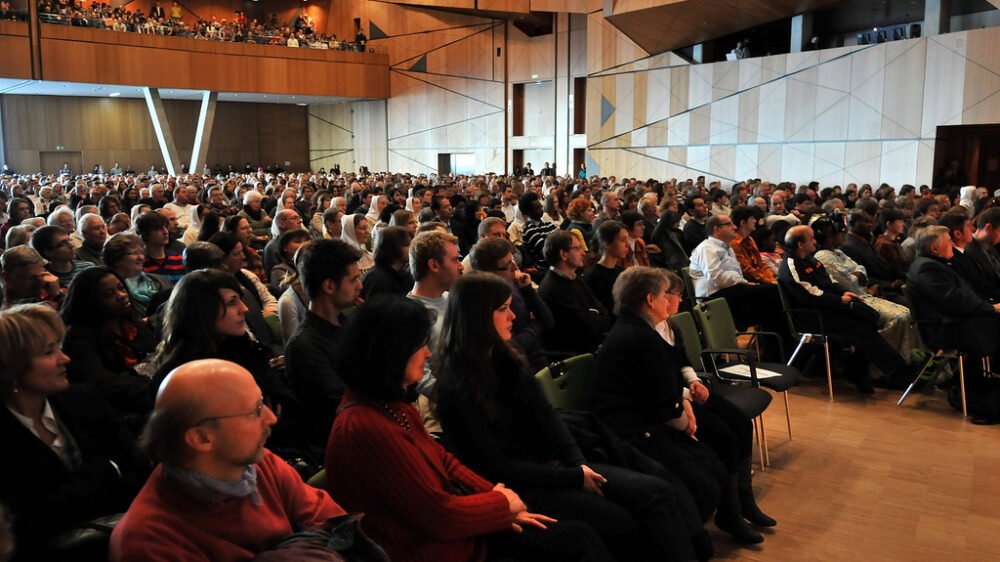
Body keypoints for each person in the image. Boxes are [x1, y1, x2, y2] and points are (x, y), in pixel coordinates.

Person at [434, 272, 711, 561]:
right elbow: (497, 466)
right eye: (502, 309)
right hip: (526, 486)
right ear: (478, 316)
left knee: (656, 490)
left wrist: (579, 465)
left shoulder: (507, 358)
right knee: (625, 519)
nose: (513, 316)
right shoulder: (457, 388)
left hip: (557, 465)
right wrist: (574, 475)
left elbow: (548, 417)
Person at [325, 296, 609, 562]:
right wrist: (500, 505)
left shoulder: (391, 404)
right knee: (577, 539)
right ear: (391, 354)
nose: (427, 354)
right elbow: (439, 516)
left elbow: (444, 461)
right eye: (420, 345)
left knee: (581, 531)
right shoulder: (363, 428)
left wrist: (500, 497)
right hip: (435, 551)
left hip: (456, 534)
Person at [588, 267, 774, 545]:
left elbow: (668, 376)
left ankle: (735, 507)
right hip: (635, 428)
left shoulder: (647, 328)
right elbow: (655, 394)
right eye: (667, 295)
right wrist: (684, 413)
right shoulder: (638, 336)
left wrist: (687, 395)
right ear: (651, 299)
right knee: (713, 465)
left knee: (735, 431)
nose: (671, 300)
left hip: (661, 410)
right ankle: (699, 531)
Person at [110, 359, 349, 561]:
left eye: (263, 402)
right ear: (202, 438)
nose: (270, 418)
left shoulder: (260, 464)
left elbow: (340, 528)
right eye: (255, 410)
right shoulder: (146, 541)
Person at [0, 304, 147, 560]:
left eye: (59, 346)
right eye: (49, 352)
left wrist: (64, 496)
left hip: (124, 538)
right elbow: (26, 521)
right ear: (11, 367)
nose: (64, 358)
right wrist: (105, 472)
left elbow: (137, 471)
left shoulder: (83, 401)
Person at [778, 225, 915, 393]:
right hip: (812, 317)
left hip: (828, 309)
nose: (815, 241)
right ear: (800, 244)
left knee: (869, 318)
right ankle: (896, 374)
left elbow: (830, 284)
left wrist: (845, 293)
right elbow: (810, 294)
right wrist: (840, 300)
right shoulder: (791, 265)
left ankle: (863, 373)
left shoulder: (811, 259)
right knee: (860, 329)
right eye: (811, 238)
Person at [284, 239, 363, 454]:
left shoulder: (344, 323)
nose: (360, 286)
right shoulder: (304, 346)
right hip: (342, 446)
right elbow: (347, 404)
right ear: (329, 286)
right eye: (354, 279)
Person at [812, 217, 914, 377]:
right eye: (842, 232)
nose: (844, 235)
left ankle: (901, 364)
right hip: (854, 299)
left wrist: (856, 275)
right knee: (898, 317)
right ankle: (880, 370)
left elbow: (861, 269)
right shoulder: (823, 256)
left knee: (905, 312)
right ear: (830, 236)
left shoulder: (838, 252)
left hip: (863, 295)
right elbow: (849, 284)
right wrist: (855, 275)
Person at [61, 267, 156, 421]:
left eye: (121, 288)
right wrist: (154, 388)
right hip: (113, 411)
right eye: (109, 294)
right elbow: (101, 383)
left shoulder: (130, 321)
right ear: (91, 302)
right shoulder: (79, 337)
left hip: (146, 398)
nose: (122, 295)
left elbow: (153, 356)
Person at [469, 237, 553, 373]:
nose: (515, 267)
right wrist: (536, 324)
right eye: (508, 265)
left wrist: (527, 290)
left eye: (512, 260)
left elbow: (548, 321)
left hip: (540, 359)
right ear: (490, 273)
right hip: (520, 368)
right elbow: (512, 346)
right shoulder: (486, 303)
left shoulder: (515, 283)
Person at [537, 230, 610, 355]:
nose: (583, 253)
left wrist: (593, 314)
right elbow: (585, 328)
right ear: (563, 254)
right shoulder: (552, 289)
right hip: (578, 354)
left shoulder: (573, 277)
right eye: (577, 248)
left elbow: (602, 311)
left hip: (591, 344)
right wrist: (594, 314)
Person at [103, 233, 173, 319]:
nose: (141, 257)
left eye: (142, 252)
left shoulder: (163, 281)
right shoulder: (113, 292)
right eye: (134, 253)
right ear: (116, 259)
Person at [583, 220, 629, 315]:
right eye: (623, 240)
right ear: (607, 244)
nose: (627, 244)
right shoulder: (594, 277)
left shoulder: (620, 270)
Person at [361, 225, 414, 299]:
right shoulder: (376, 279)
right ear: (392, 248)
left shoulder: (401, 272)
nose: (412, 248)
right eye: (407, 244)